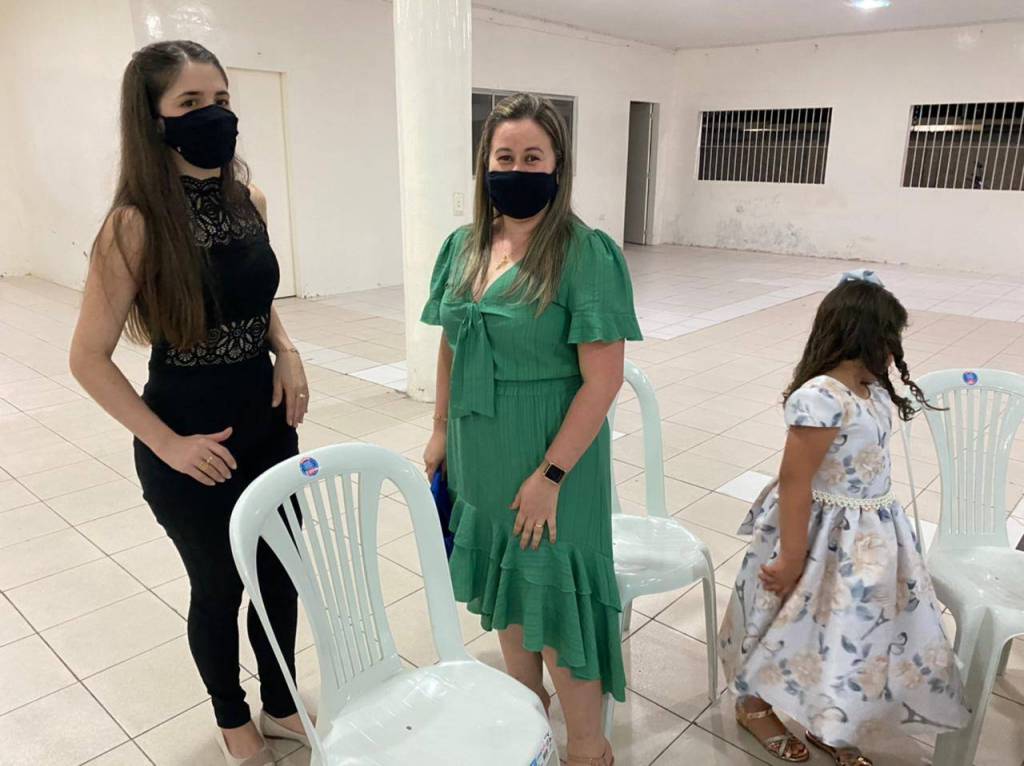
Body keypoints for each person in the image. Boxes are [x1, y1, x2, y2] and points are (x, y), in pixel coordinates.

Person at [69, 41, 311, 766]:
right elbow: (87, 358)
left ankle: (280, 703)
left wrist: (286, 348)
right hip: (188, 437)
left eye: (222, 100)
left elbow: (254, 298)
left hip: (268, 423)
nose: (214, 115)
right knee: (219, 587)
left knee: (281, 575)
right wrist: (167, 444)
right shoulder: (134, 225)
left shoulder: (250, 202)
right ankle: (232, 717)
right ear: (154, 119)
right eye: (191, 103)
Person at [420, 93, 641, 766]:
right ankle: (528, 727)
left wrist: (550, 476)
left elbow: (602, 382)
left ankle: (587, 748)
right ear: (485, 164)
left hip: (551, 459)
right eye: (504, 157)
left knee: (557, 603)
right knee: (509, 590)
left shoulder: (585, 254)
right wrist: (440, 429)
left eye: (532, 157)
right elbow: (451, 344)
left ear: (557, 165)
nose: (517, 170)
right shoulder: (462, 246)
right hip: (479, 454)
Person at [718, 270, 970, 765]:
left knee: (844, 630)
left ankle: (828, 715)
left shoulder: (870, 390)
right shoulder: (820, 398)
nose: (894, 352)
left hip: (867, 535)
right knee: (782, 618)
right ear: (861, 337)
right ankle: (753, 704)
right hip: (814, 533)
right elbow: (794, 481)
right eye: (888, 339)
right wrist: (792, 557)